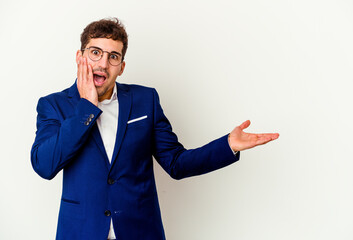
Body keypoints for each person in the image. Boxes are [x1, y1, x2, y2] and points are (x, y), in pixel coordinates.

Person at [31, 18, 279, 240]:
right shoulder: (53, 105)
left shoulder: (145, 100)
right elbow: (45, 165)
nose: (104, 63)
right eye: (95, 52)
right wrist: (86, 107)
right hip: (81, 232)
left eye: (113, 56)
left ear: (122, 66)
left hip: (140, 231)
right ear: (79, 56)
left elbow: (176, 163)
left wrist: (228, 146)